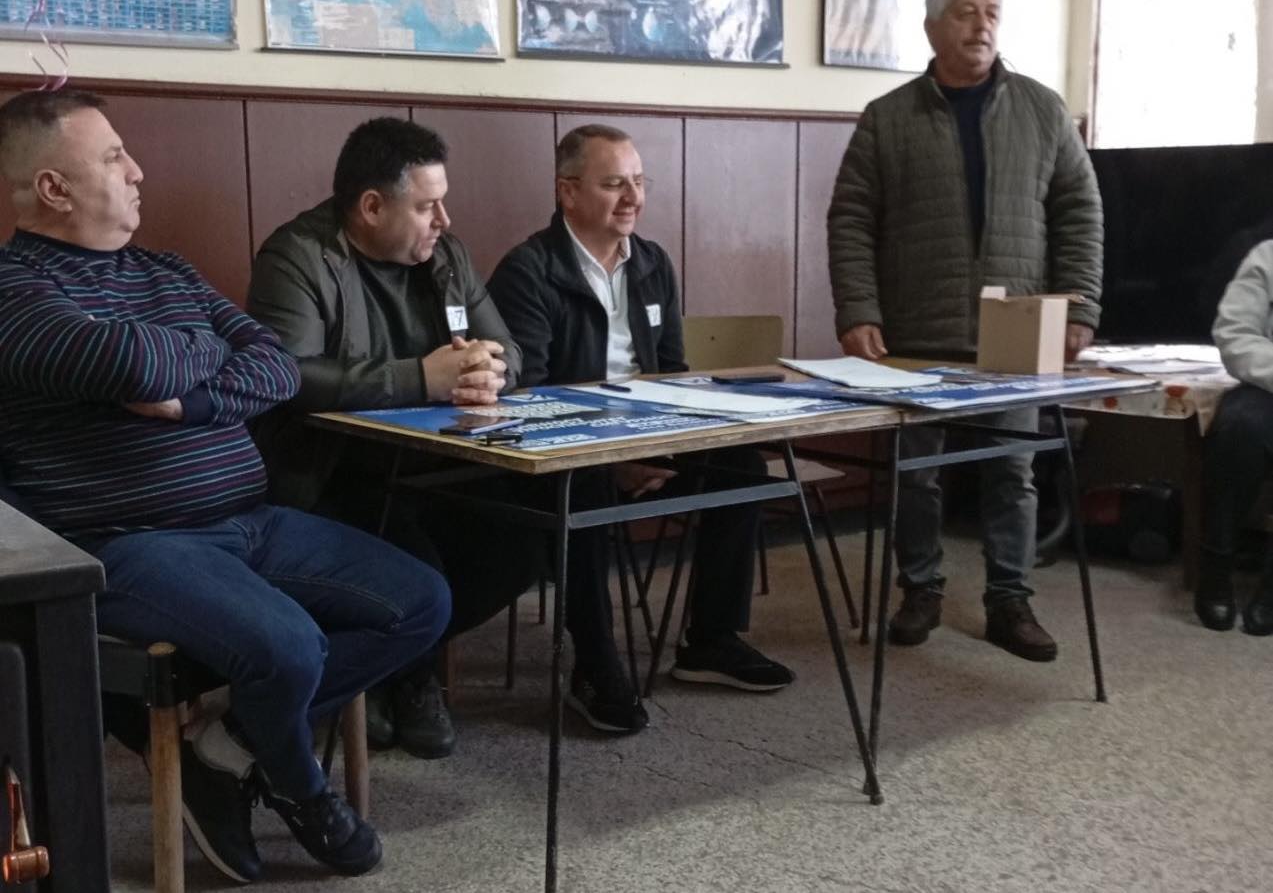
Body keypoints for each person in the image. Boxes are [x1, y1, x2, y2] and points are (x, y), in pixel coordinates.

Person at [0, 89, 451, 883]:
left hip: (248, 520)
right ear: (53, 188)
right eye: (113, 157)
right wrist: (198, 349)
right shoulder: (15, 292)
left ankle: (226, 748)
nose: (137, 171)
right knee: (289, 648)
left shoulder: (167, 271)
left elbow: (275, 365)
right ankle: (300, 786)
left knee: (421, 601)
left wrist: (190, 398)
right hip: (129, 544)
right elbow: (133, 365)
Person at [826, 0, 1103, 662]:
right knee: (916, 474)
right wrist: (857, 309)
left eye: (992, 13)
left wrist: (1080, 306)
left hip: (1015, 330)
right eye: (966, 12)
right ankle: (919, 588)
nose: (982, 26)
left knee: (1012, 470)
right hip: (914, 331)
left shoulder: (1042, 110)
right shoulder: (887, 118)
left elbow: (1080, 211)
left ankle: (1010, 599)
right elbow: (850, 219)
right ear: (932, 27)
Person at [247, 117, 542, 759]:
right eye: (427, 206)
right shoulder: (298, 255)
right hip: (330, 475)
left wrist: (490, 370)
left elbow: (510, 348)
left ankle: (394, 664)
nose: (444, 219)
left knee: (530, 535)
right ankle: (407, 676)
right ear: (372, 207)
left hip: (439, 465)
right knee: (416, 561)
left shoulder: (447, 255)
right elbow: (287, 375)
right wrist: (420, 378)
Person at [488, 123, 794, 735]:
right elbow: (530, 398)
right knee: (585, 486)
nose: (633, 198)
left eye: (638, 181)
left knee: (741, 469)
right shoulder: (529, 270)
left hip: (648, 437)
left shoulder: (651, 262)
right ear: (568, 191)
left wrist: (669, 442)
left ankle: (710, 640)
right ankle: (595, 662)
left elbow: (672, 372)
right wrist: (613, 454)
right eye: (613, 184)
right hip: (566, 453)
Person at [1196, 241, 1273, 634]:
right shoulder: (1267, 257)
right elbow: (1235, 333)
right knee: (1239, 428)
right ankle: (1216, 562)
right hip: (1267, 384)